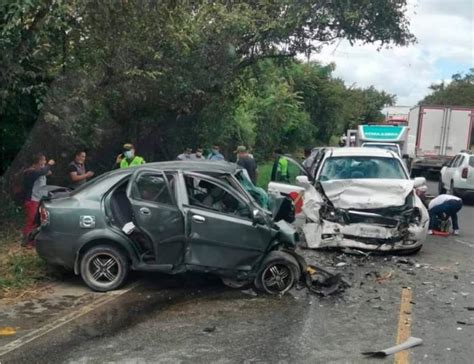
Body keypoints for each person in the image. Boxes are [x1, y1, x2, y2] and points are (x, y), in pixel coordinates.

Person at [22, 153, 55, 247]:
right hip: (32, 199)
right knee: (31, 220)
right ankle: (27, 241)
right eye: (43, 160)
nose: (45, 162)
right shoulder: (30, 171)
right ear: (39, 161)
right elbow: (41, 172)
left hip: (39, 199)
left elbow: (44, 172)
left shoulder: (39, 171)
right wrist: (49, 164)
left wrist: (46, 171)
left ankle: (33, 240)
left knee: (38, 221)